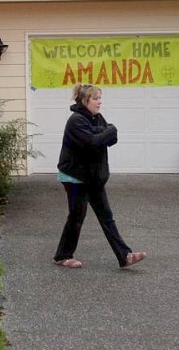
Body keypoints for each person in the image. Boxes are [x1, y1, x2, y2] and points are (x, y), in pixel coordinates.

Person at [54, 83, 147, 269]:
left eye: (99, 98)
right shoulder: (76, 121)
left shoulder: (96, 118)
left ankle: (125, 256)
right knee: (77, 217)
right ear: (84, 100)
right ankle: (63, 256)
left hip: (93, 177)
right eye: (95, 98)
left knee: (107, 217)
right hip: (75, 178)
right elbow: (93, 142)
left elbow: (111, 139)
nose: (99, 102)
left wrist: (105, 132)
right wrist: (108, 131)